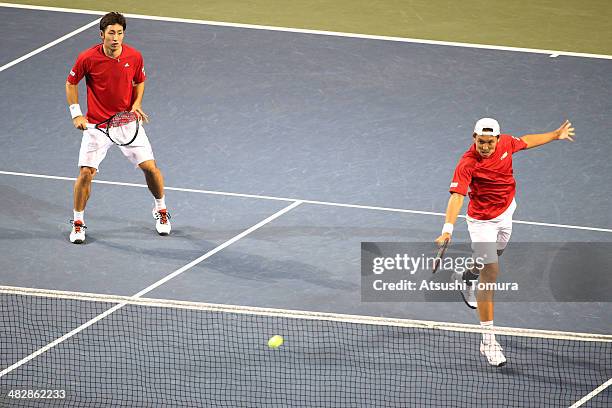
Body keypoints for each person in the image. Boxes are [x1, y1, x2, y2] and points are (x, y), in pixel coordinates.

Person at [435, 118, 575, 366]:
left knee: (489, 259)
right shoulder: (467, 163)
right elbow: (457, 197)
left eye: (489, 142)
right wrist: (447, 229)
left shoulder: (507, 143)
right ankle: (488, 342)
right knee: (491, 273)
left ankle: (465, 275)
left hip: (506, 213)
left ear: (498, 139)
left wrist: (554, 134)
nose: (485, 147)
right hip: (481, 222)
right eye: (481, 142)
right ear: (473, 137)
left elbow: (527, 141)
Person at [66, 12, 171, 244]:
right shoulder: (87, 58)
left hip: (127, 123)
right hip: (96, 126)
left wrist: (136, 104)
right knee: (85, 174)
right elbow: (71, 83)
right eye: (111, 33)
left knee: (151, 169)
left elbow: (139, 80)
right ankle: (78, 222)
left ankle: (161, 210)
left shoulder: (134, 56)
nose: (116, 38)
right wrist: (76, 114)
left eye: (120, 33)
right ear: (102, 34)